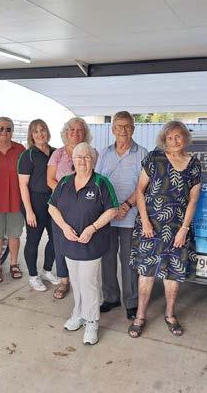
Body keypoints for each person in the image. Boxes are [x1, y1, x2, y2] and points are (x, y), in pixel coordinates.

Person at [129, 121, 202, 338]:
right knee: (146, 273)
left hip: (178, 228)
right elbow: (140, 190)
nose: (174, 141)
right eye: (170, 138)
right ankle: (140, 316)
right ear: (164, 140)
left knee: (173, 274)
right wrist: (145, 221)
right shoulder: (154, 158)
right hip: (150, 227)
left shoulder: (194, 164)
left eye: (178, 136)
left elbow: (193, 200)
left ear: (185, 138)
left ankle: (170, 314)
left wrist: (184, 229)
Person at [48, 143, 118, 345]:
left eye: (87, 157)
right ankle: (78, 313)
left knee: (88, 282)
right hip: (70, 241)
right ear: (73, 160)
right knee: (76, 281)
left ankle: (92, 321)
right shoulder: (64, 182)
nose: (82, 161)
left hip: (91, 243)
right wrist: (64, 227)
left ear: (93, 161)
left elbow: (112, 210)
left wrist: (92, 228)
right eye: (79, 157)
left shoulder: (101, 183)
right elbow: (52, 207)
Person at [95, 111, 147, 320]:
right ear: (113, 129)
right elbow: (98, 182)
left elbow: (143, 185)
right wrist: (110, 209)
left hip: (130, 215)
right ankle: (111, 297)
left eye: (127, 126)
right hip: (107, 216)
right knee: (107, 258)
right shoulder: (104, 153)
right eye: (119, 126)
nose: (123, 130)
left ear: (133, 128)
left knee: (129, 261)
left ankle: (131, 302)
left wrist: (125, 205)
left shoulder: (142, 153)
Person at [47, 117, 95, 299]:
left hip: (86, 206)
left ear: (85, 134)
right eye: (71, 129)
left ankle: (83, 279)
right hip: (61, 207)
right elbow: (50, 179)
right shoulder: (58, 154)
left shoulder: (92, 153)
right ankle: (64, 280)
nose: (75, 132)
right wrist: (66, 195)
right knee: (61, 243)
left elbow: (95, 177)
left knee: (84, 240)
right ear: (66, 133)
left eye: (80, 130)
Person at [18, 119, 61, 291]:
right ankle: (33, 276)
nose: (39, 134)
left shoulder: (56, 152)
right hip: (34, 201)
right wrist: (29, 211)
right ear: (31, 135)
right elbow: (23, 185)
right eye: (35, 131)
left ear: (47, 132)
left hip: (53, 201)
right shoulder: (27, 155)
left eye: (42, 130)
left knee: (55, 238)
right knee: (33, 240)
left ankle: (47, 270)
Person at [0, 117, 26, 283]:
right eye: (0, 128)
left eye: (8, 129)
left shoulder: (20, 149)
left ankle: (14, 264)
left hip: (16, 199)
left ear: (12, 131)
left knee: (14, 234)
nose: (4, 132)